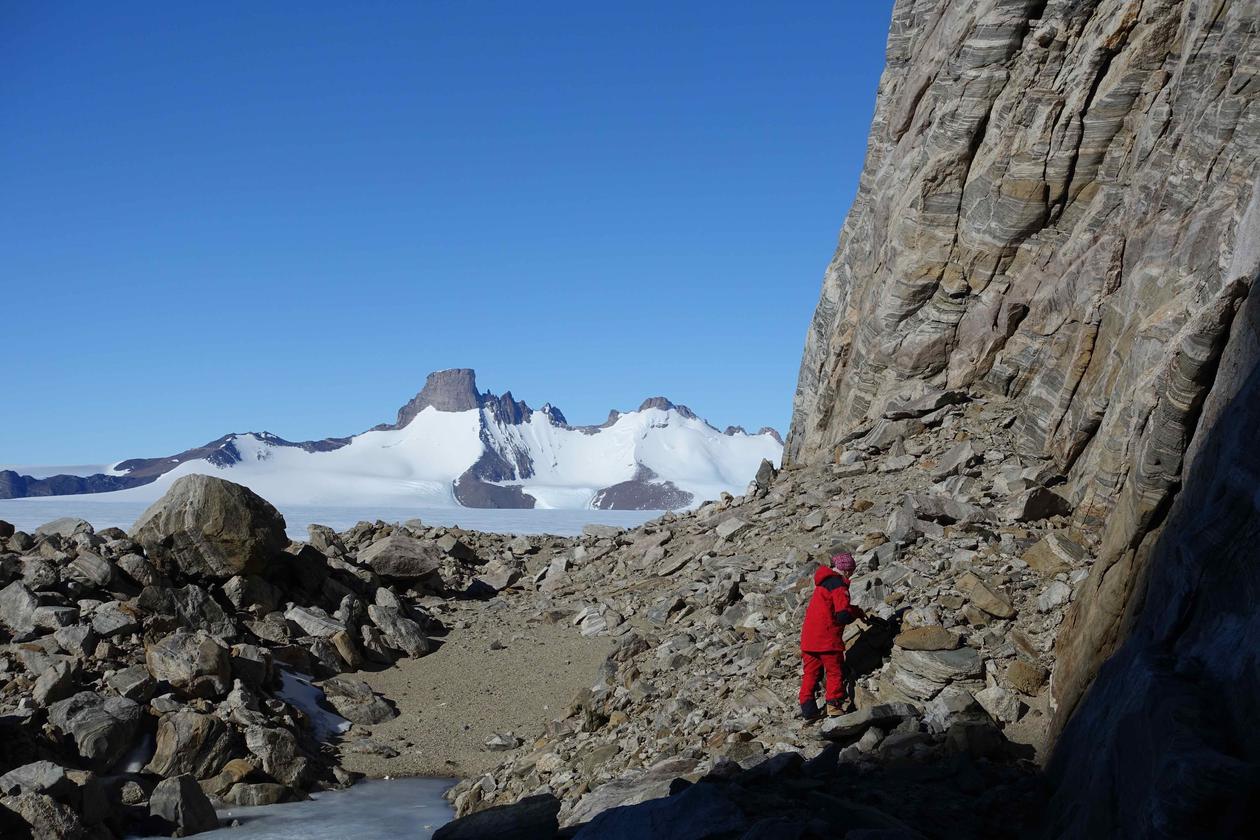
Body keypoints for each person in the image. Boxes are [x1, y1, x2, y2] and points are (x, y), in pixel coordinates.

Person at [799, 551, 866, 720]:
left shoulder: (823, 584)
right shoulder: (839, 585)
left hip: (809, 639)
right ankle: (834, 706)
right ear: (846, 570)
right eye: (851, 570)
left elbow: (831, 606)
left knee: (810, 674)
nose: (851, 574)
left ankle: (808, 709)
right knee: (834, 671)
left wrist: (857, 611)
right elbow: (842, 613)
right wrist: (852, 616)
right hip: (827, 640)